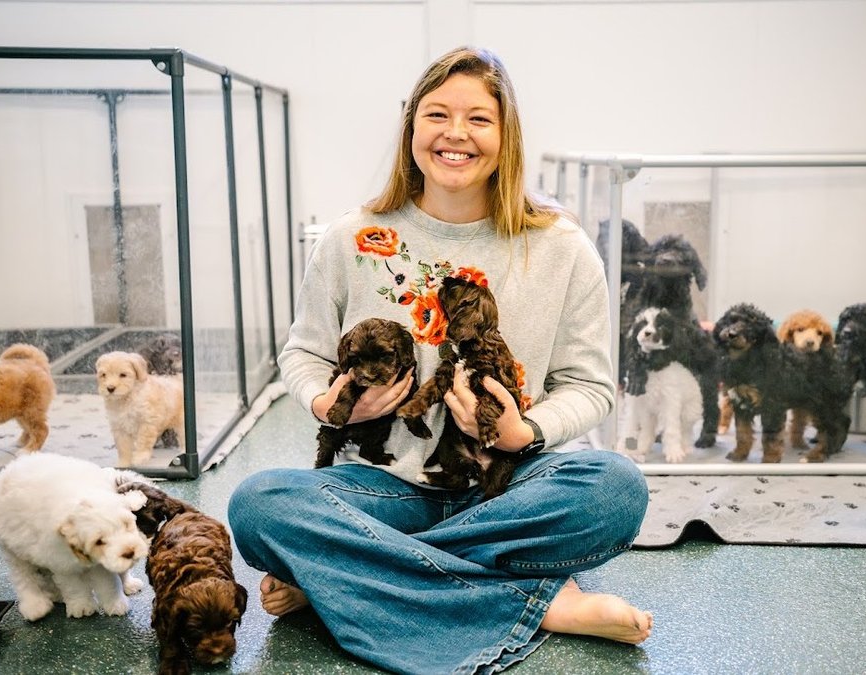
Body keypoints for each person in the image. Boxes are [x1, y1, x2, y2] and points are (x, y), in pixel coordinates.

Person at [228, 46, 652, 674]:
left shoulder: (562, 246)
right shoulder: (350, 238)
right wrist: (326, 401)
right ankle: (539, 600)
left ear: (506, 137)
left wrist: (523, 432)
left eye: (478, 119)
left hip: (508, 486)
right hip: (381, 488)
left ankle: (347, 571)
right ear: (412, 127)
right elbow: (304, 353)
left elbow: (589, 386)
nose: (456, 133)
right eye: (437, 115)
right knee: (259, 503)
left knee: (616, 490)